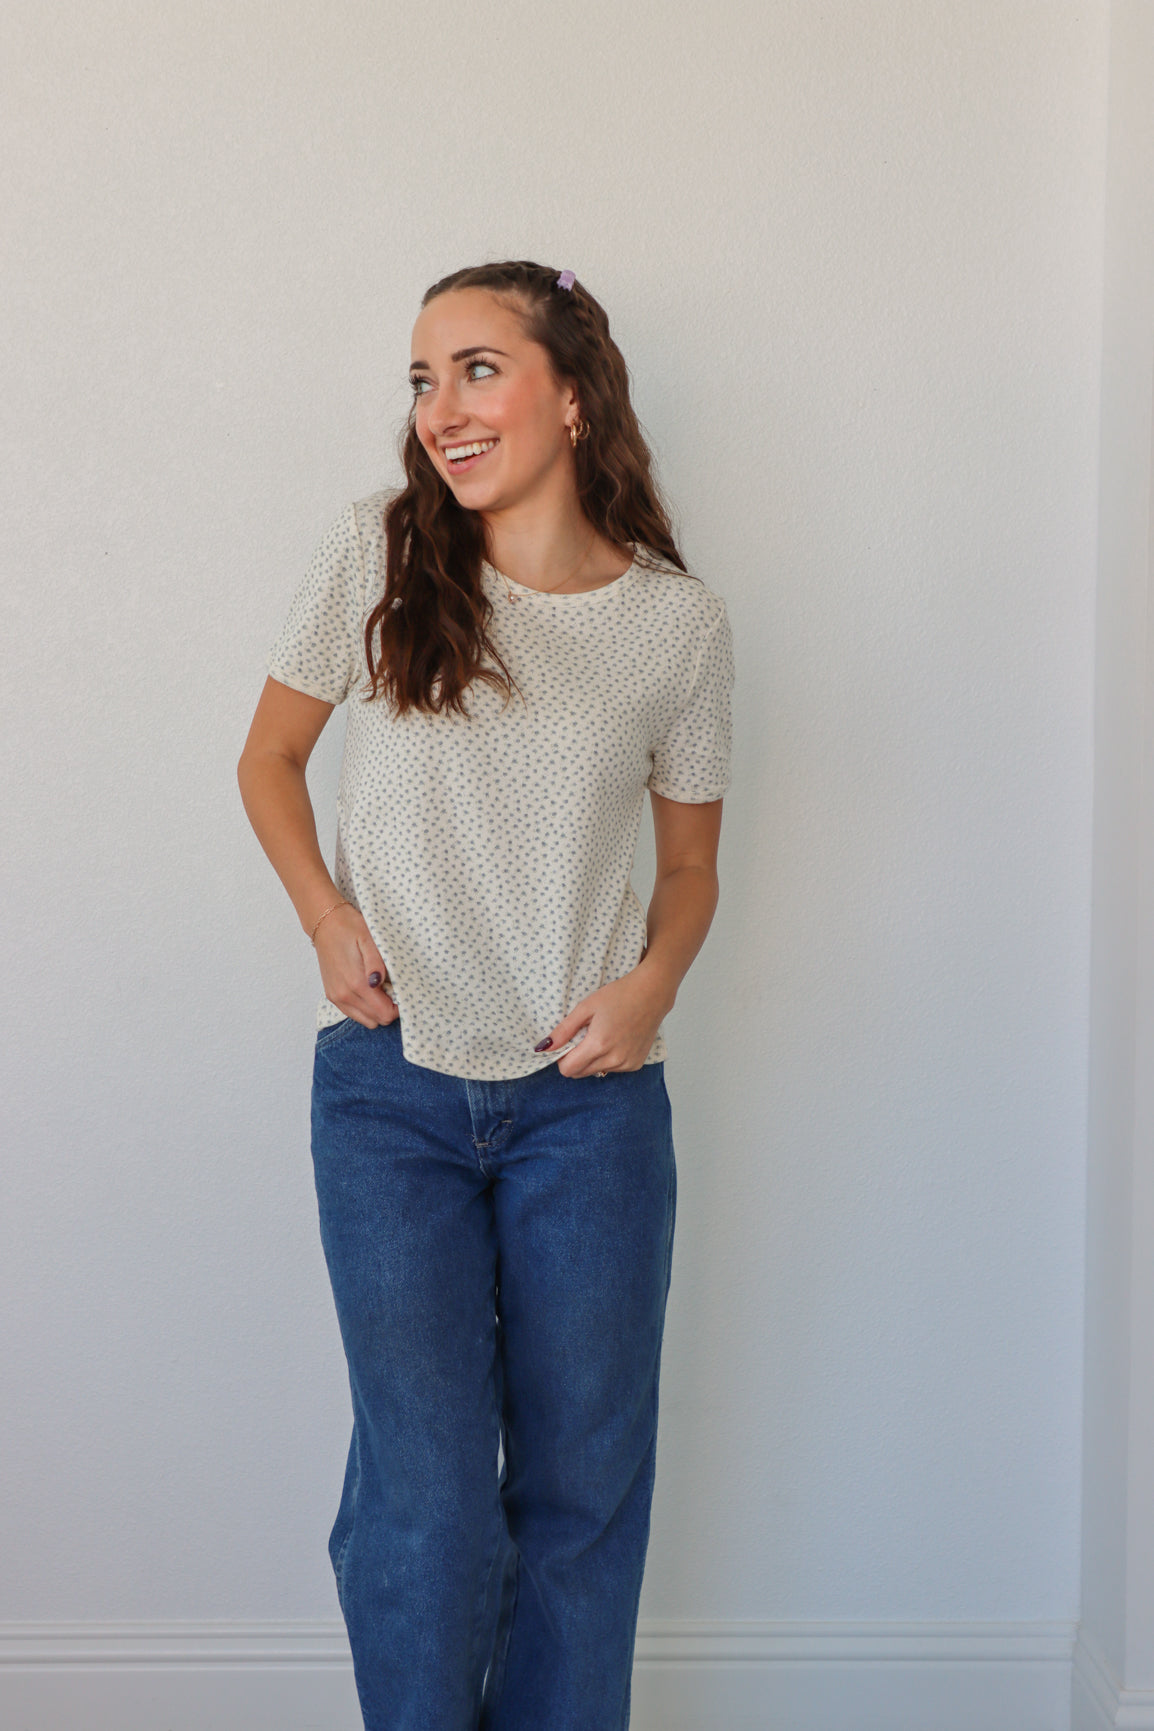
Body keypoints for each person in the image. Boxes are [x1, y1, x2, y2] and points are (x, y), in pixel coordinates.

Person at [236, 259, 735, 1731]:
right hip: (391, 1094)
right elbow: (265, 763)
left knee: (582, 1494)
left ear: (570, 396)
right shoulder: (374, 554)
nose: (439, 409)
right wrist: (326, 919)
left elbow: (693, 865)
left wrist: (648, 991)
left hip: (589, 1109)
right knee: (426, 1497)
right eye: (418, 380)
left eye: (473, 370)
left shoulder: (675, 625)